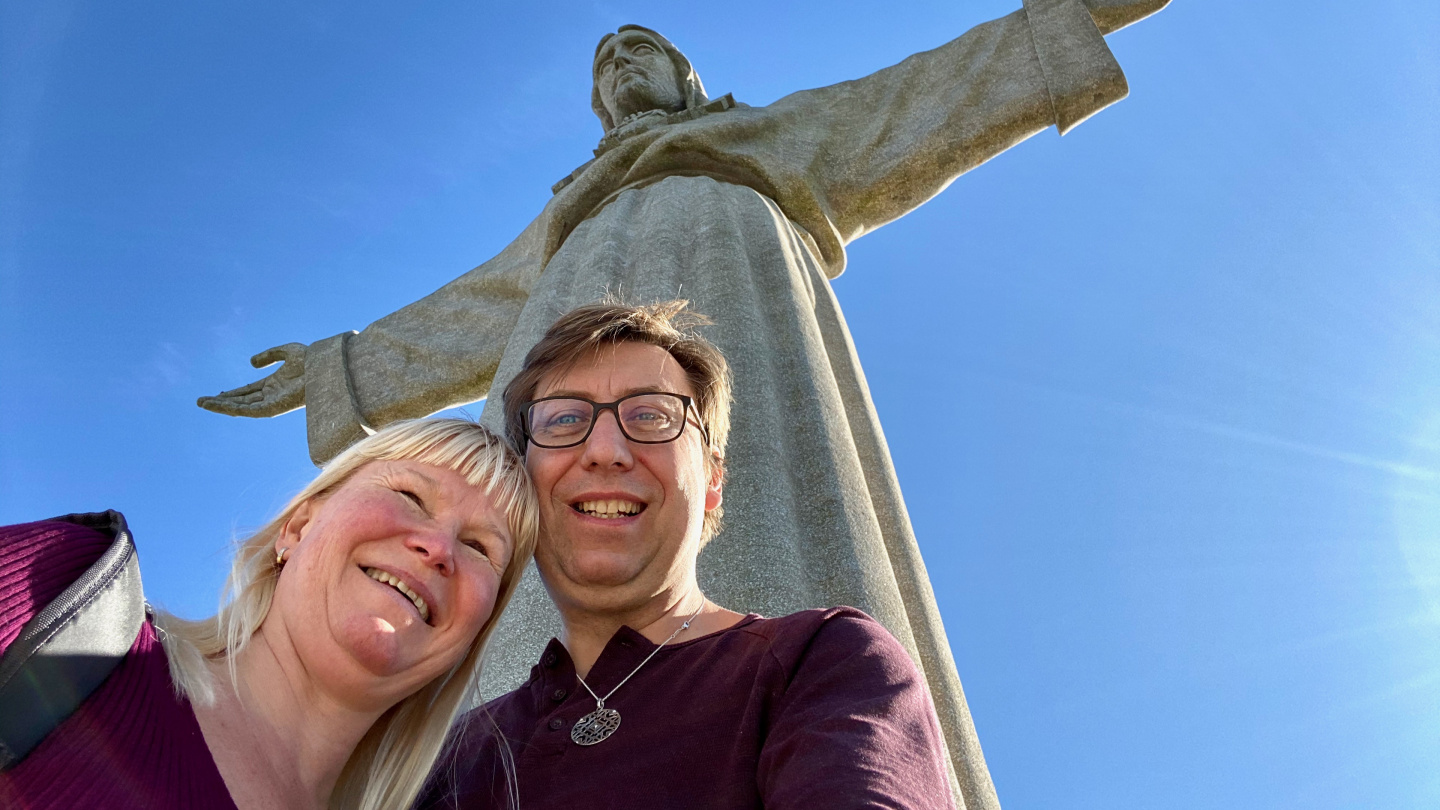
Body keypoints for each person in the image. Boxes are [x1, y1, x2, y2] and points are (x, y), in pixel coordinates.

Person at [198, 7, 1171, 804]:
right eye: (607, 61)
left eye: (640, 50)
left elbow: (905, 104)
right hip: (572, 298)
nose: (621, 66)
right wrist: (347, 370)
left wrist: (1064, 21)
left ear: (686, 78)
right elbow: (470, 309)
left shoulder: (753, 142)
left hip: (739, 285)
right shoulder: (568, 213)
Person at [417, 300, 954, 809]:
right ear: (523, 483)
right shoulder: (445, 752)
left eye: (651, 415)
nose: (605, 451)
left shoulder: (819, 660)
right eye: (563, 420)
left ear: (713, 479)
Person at [0, 418, 537, 810]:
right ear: (298, 527)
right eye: (411, 496)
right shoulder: (51, 593)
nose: (439, 548)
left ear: (477, 631)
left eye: (480, 548)